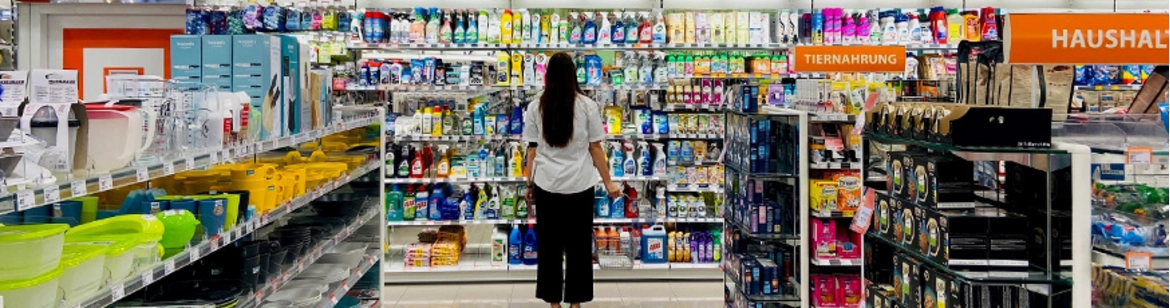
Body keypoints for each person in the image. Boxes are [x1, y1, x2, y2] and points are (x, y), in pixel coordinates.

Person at [522, 52, 622, 308]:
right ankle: (575, 303)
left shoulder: (535, 107)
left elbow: (532, 150)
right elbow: (596, 149)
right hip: (580, 185)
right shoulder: (587, 106)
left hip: (547, 185)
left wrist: (529, 184)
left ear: (547, 77)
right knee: (578, 248)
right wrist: (609, 182)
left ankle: (554, 303)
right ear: (573, 75)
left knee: (550, 248)